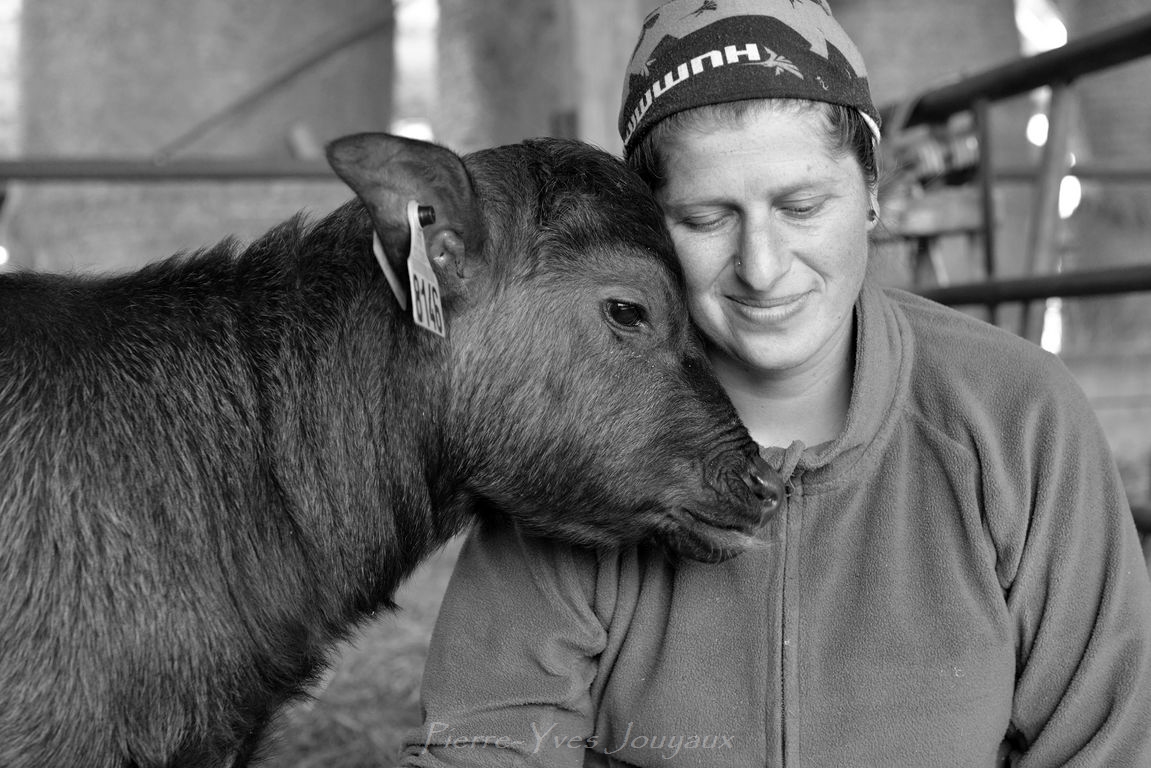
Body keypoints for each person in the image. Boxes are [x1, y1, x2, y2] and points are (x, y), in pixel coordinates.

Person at [399, 1, 1151, 765]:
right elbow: (490, 737)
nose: (761, 267)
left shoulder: (1016, 418)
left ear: (871, 193)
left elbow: (1108, 741)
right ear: (648, 228)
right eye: (704, 218)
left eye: (800, 206)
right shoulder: (575, 423)